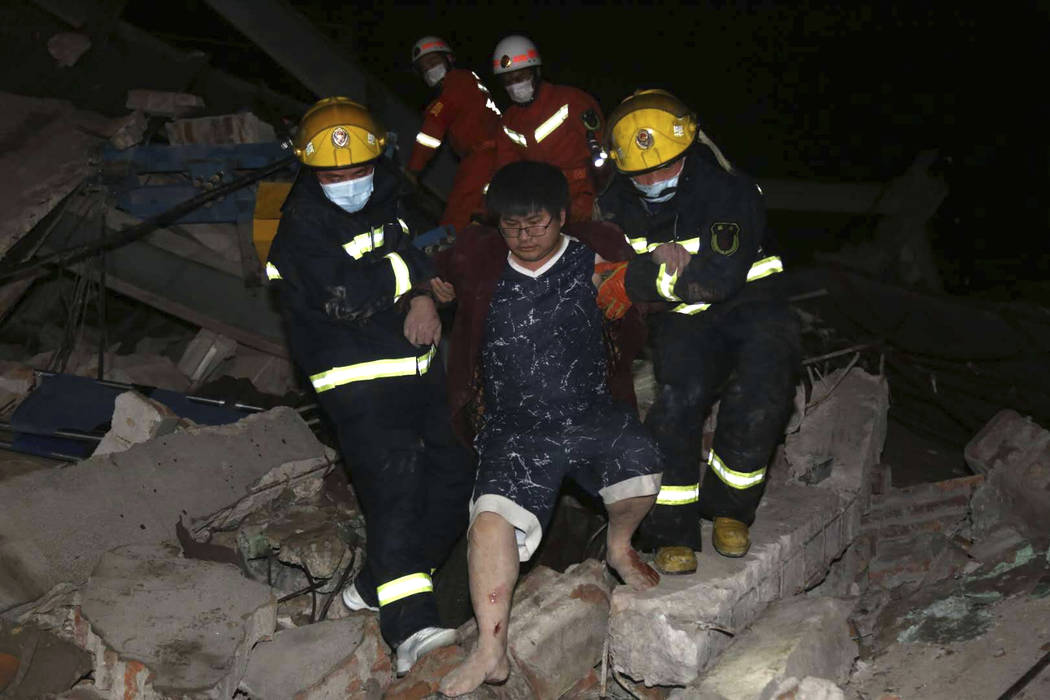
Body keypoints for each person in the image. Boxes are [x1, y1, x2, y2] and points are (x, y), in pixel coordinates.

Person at [435, 161, 662, 696]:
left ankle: (620, 545)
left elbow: (651, 293)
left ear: (562, 217)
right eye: (512, 226)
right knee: (488, 527)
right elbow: (434, 273)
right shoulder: (478, 255)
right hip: (515, 429)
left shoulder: (598, 250)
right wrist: (427, 296)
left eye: (536, 224)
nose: (524, 236)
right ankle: (491, 651)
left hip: (590, 413)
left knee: (643, 469)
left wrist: (653, 272)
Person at [265, 97, 473, 676]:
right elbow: (346, 296)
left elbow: (404, 256)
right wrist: (421, 277)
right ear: (311, 170)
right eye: (335, 173)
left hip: (415, 364)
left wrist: (426, 296)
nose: (350, 181)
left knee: (457, 468)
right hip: (355, 380)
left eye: (359, 169)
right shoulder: (299, 227)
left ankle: (376, 585)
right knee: (397, 487)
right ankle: (411, 628)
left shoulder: (387, 200)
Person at [596, 90, 801, 573]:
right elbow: (601, 275)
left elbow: (715, 278)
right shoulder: (615, 204)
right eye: (640, 172)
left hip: (754, 305)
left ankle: (730, 510)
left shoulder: (729, 190)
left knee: (764, 388)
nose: (651, 179)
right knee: (678, 399)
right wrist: (643, 271)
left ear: (686, 151)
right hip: (682, 319)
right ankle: (671, 531)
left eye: (663, 166)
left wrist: (641, 275)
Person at [491, 35, 605, 223]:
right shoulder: (508, 122)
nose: (515, 85)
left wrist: (601, 198)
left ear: (536, 72)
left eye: (520, 77)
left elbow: (602, 148)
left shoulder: (571, 100)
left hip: (587, 196)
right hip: (545, 204)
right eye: (507, 80)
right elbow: (506, 172)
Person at [407, 36, 504, 234]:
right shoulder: (470, 82)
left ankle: (441, 261)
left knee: (455, 221)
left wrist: (413, 170)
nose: (430, 70)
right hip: (498, 156)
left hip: (481, 159)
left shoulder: (456, 82)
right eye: (424, 68)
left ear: (449, 59)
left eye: (433, 62)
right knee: (479, 220)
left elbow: (433, 128)